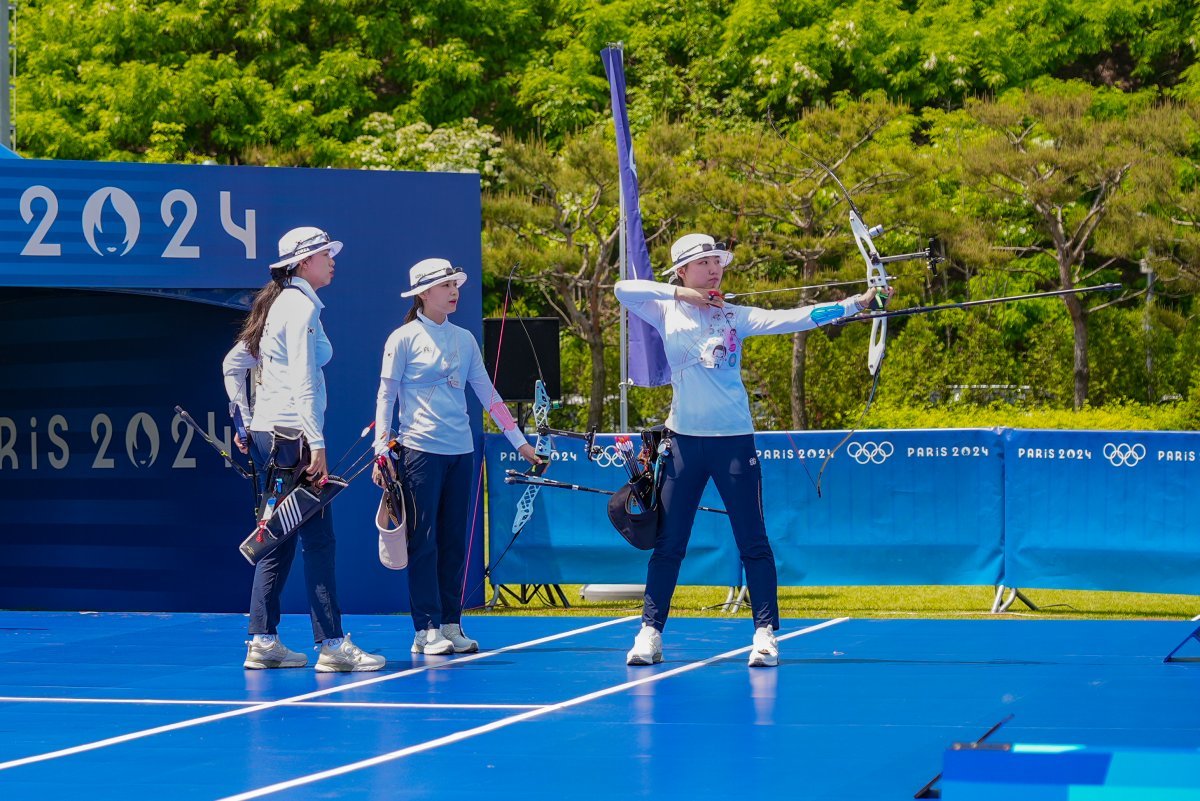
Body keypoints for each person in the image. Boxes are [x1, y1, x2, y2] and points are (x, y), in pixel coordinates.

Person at [614, 233, 888, 668]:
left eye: (716, 262)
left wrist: (856, 303)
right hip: (684, 443)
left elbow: (794, 318)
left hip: (735, 443)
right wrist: (686, 295)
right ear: (683, 270)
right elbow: (622, 289)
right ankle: (650, 632)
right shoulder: (665, 309)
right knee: (669, 543)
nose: (714, 269)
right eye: (703, 263)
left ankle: (764, 634)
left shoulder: (734, 314)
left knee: (753, 540)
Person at [222, 226, 385, 673]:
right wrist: (317, 444)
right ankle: (331, 644)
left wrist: (244, 419)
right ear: (302, 262)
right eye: (324, 254)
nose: (332, 259)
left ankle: (263, 639)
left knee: (278, 540)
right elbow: (303, 383)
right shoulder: (296, 307)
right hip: (290, 439)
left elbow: (235, 364)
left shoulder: (288, 304)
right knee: (318, 540)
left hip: (274, 435)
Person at [372, 258, 540, 655]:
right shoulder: (402, 338)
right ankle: (424, 629)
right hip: (419, 452)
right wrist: (382, 447)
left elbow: (489, 395)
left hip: (461, 452)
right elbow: (386, 396)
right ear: (423, 294)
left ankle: (450, 623)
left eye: (455, 284)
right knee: (424, 540)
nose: (454, 291)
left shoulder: (464, 339)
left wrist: (520, 442)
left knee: (453, 542)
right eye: (445, 285)